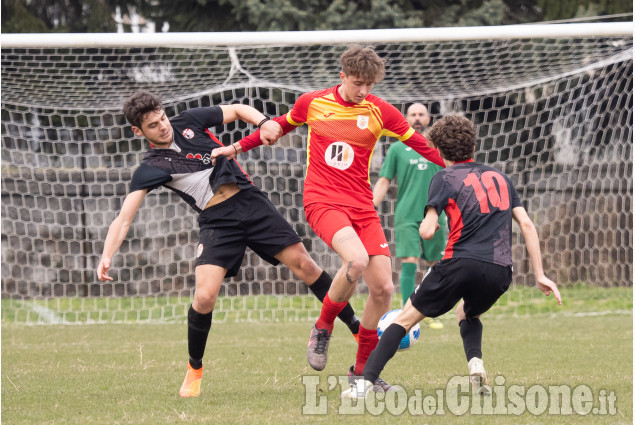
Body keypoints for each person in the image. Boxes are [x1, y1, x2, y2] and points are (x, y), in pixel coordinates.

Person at [95, 91, 360, 398]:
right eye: (154, 125)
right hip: (216, 222)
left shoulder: (189, 121)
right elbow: (124, 218)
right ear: (139, 132)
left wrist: (263, 122)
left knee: (307, 267)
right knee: (205, 296)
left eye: (163, 118)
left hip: (250, 203)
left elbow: (237, 109)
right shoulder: (151, 167)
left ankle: (358, 331)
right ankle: (195, 368)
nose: (163, 126)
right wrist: (106, 255)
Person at [212, 45, 445, 392]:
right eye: (356, 83)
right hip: (323, 200)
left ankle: (363, 374)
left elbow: (424, 147)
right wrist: (236, 148)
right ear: (342, 77)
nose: (363, 91)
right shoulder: (313, 103)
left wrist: (460, 168)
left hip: (362, 206)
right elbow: (275, 128)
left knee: (383, 289)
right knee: (357, 261)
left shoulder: (381, 111)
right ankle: (323, 328)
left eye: (369, 84)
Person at [344, 115, 562, 399]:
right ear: (473, 144)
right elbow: (527, 225)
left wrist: (427, 224)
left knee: (404, 319)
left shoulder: (443, 177)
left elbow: (426, 230)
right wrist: (540, 275)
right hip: (500, 270)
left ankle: (363, 385)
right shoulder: (501, 178)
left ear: (439, 151)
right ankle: (476, 366)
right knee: (467, 313)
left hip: (460, 263)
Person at [372, 103, 446, 330]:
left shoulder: (439, 148)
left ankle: (430, 311)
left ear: (428, 118)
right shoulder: (396, 149)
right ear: (406, 118)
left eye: (421, 114)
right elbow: (384, 180)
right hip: (406, 214)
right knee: (409, 261)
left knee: (434, 264)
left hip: (435, 215)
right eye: (412, 114)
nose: (416, 118)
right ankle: (407, 314)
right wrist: (371, 206)